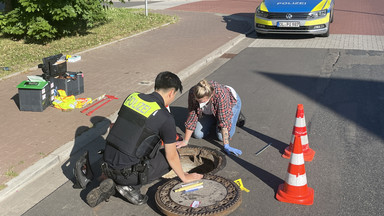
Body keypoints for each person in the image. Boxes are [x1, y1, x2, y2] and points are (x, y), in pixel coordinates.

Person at [86, 71, 203, 207]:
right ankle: (129, 186)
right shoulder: (165, 117)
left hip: (105, 163)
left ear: (156, 86)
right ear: (171, 92)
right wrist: (184, 176)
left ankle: (111, 179)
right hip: (126, 173)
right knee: (171, 157)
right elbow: (171, 156)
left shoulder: (133, 97)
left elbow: (116, 127)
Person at [176, 80, 245, 156]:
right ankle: (215, 116)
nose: (200, 104)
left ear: (211, 95)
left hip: (230, 103)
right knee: (198, 134)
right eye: (198, 101)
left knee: (221, 137)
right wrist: (185, 141)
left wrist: (226, 145)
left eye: (203, 101)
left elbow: (224, 122)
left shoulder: (221, 95)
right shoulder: (193, 92)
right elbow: (192, 116)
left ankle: (235, 114)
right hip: (210, 108)